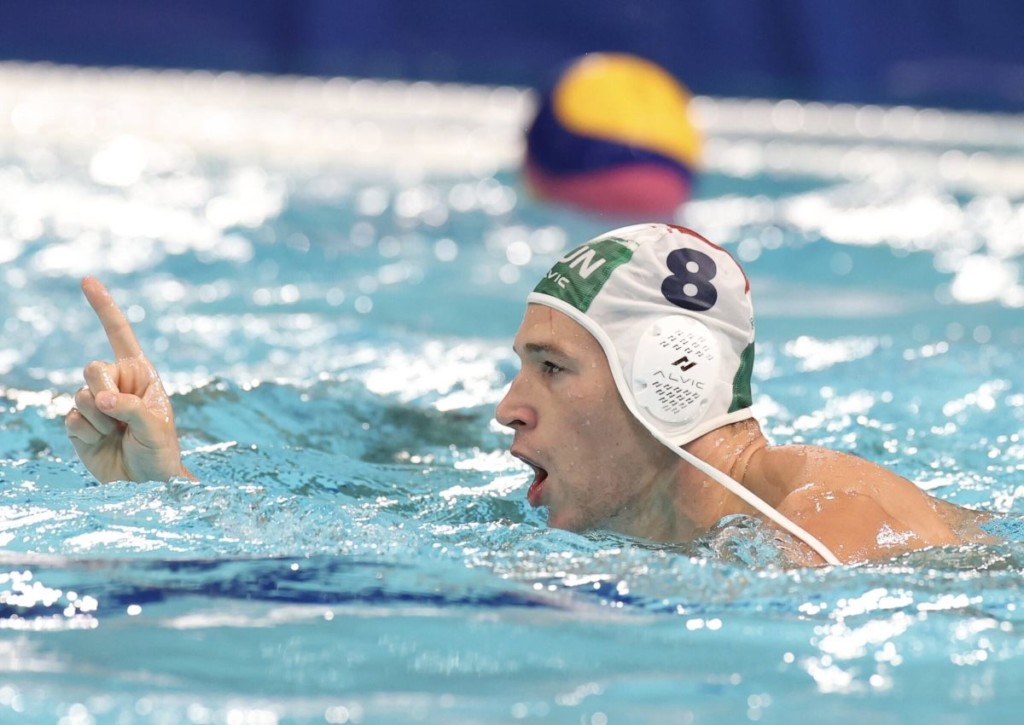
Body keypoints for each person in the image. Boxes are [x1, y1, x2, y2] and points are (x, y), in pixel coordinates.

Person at [66, 224, 995, 566]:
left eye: (552, 366)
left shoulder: (827, 520)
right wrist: (160, 489)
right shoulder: (638, 523)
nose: (509, 405)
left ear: (671, 379)